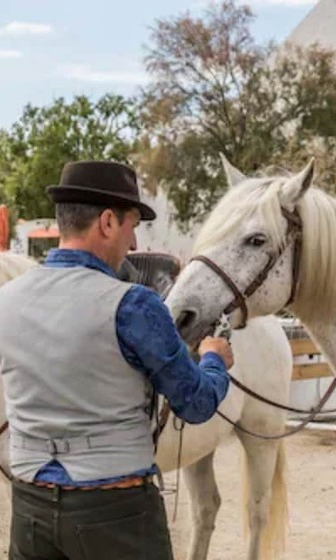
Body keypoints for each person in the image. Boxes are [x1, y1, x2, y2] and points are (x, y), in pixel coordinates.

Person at [0, 161, 234, 560]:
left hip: (31, 504)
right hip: (114, 513)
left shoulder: (8, 299)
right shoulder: (133, 304)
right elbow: (194, 404)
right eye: (131, 226)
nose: (134, 244)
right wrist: (214, 360)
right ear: (107, 222)